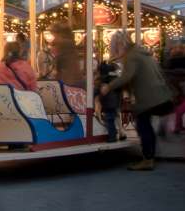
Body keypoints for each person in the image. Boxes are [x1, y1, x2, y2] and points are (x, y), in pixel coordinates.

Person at [100, 31, 174, 171]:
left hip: (149, 97)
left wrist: (108, 87)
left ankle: (147, 159)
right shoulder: (140, 53)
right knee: (146, 125)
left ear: (120, 45)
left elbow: (126, 77)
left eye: (115, 47)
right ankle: (150, 156)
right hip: (159, 94)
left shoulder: (131, 56)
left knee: (143, 125)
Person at [49, 22, 82, 86]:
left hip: (68, 79)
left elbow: (60, 63)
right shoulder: (69, 43)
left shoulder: (64, 44)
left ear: (59, 34)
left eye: (54, 35)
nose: (54, 39)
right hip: (70, 77)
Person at [97, 57, 122, 142]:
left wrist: (101, 98)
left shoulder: (104, 80)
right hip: (115, 103)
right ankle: (119, 133)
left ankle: (112, 136)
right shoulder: (115, 79)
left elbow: (102, 92)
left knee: (109, 120)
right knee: (113, 118)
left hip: (108, 104)